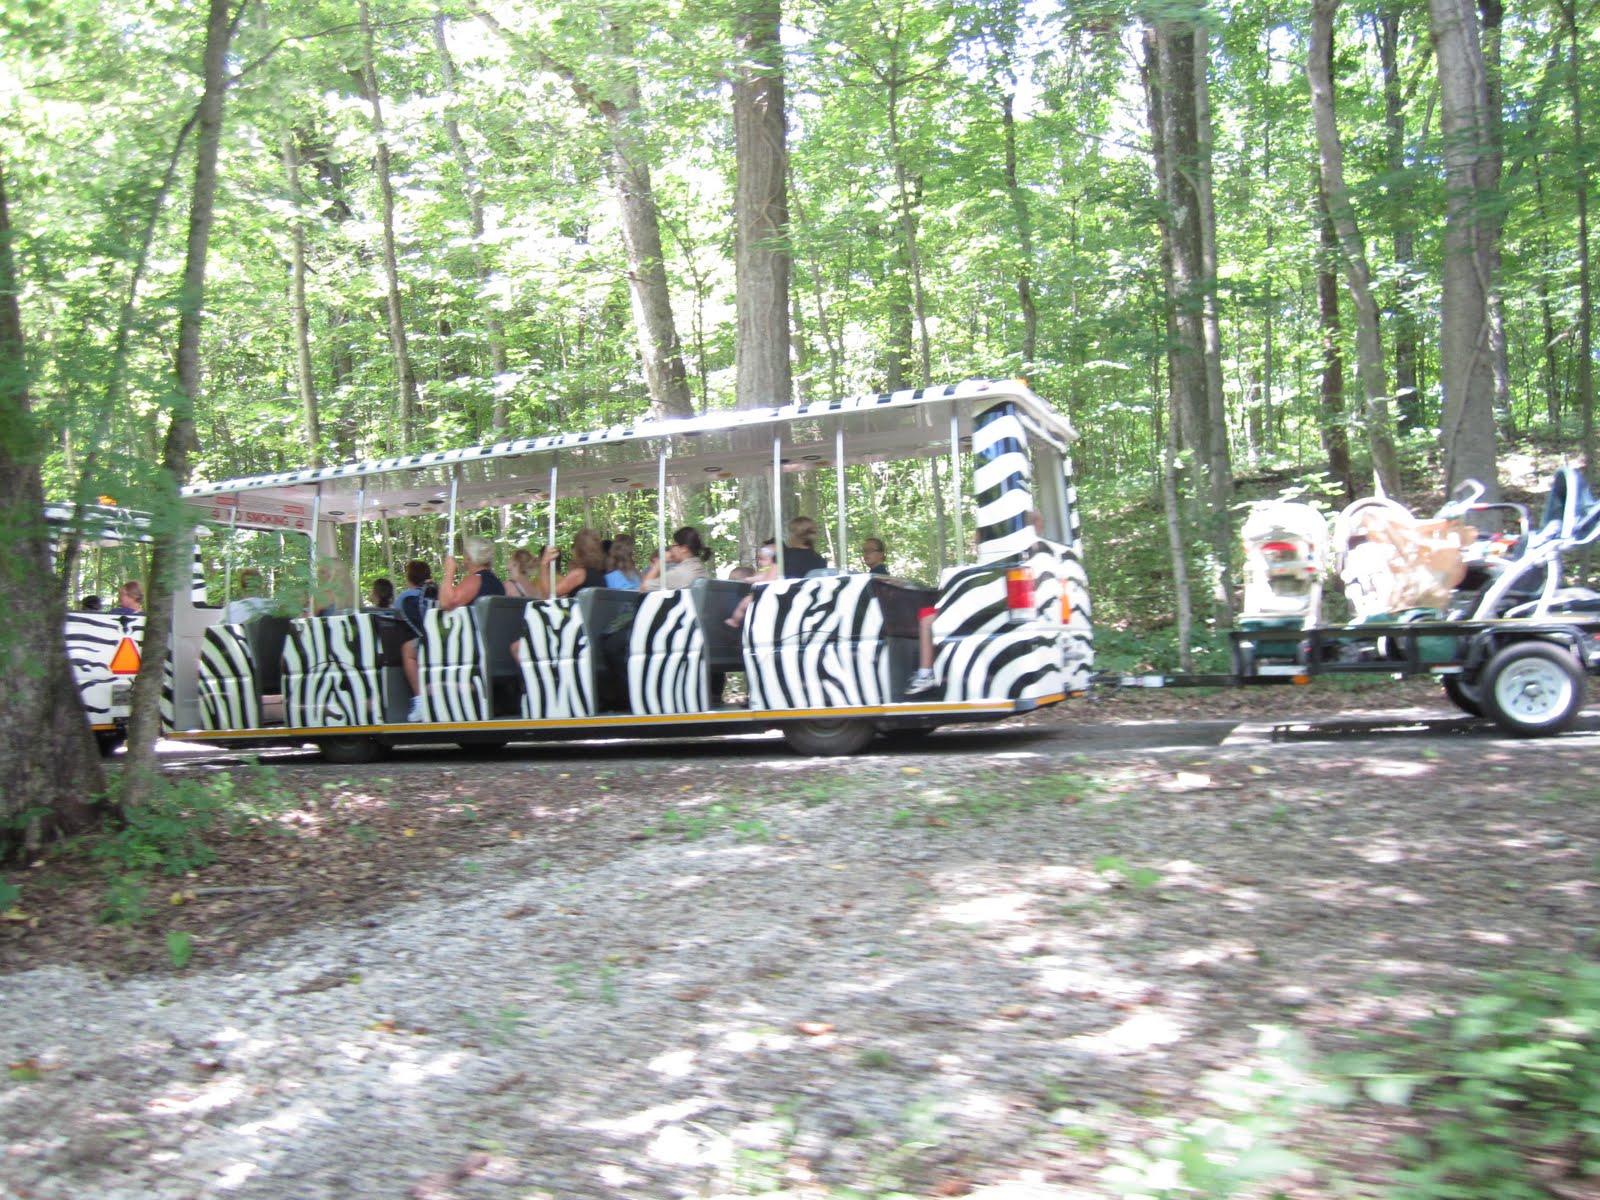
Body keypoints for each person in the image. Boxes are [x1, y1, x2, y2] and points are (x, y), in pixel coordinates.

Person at [396, 560, 438, 722]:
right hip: (440, 640)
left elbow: (394, 616)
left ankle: (420, 699)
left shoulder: (406, 597)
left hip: (424, 642)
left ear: (409, 578)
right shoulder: (436, 591)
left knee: (408, 651)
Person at [440, 535, 506, 612]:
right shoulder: (497, 582)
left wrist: (449, 571)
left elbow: (446, 603)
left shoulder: (476, 579)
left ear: (469, 557)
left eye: (465, 554)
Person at [536, 528, 607, 598]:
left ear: (577, 549)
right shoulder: (599, 574)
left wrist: (544, 564)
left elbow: (549, 595)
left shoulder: (580, 574)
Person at [640, 526, 709, 590]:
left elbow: (644, 589)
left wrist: (659, 562)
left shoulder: (678, 574)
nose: (671, 549)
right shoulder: (701, 569)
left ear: (684, 549)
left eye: (673, 545)